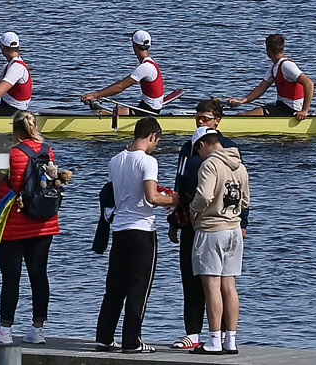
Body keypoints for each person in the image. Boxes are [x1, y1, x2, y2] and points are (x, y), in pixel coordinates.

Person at [0, 110, 71, 345]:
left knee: (11, 277)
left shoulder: (10, 153)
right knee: (39, 275)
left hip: (14, 222)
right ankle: (38, 330)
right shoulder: (47, 151)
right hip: (44, 222)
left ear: (15, 129)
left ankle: (4, 330)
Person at [96, 116, 177, 353]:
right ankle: (132, 341)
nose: (156, 146)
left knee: (115, 287)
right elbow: (152, 197)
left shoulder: (115, 160)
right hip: (142, 231)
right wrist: (175, 199)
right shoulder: (148, 161)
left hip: (120, 230)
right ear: (152, 136)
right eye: (157, 142)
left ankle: (104, 336)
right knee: (139, 288)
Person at [172, 97, 230, 350]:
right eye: (197, 117)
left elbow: (236, 189)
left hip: (219, 222)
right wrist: (175, 218)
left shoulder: (228, 148)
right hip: (189, 222)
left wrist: (243, 222)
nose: (199, 121)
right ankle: (193, 333)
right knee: (191, 277)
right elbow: (179, 183)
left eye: (205, 118)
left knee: (223, 282)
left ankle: (226, 334)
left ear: (217, 121)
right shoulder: (187, 148)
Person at [188, 127, 250, 354]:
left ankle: (214, 339)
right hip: (234, 229)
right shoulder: (240, 165)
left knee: (211, 285)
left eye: (197, 151)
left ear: (202, 144)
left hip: (212, 228)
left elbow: (204, 195)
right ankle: (230, 340)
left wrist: (193, 210)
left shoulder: (210, 164)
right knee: (230, 286)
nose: (199, 155)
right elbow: (245, 201)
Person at [84, 30, 172, 118]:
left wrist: (95, 95)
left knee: (99, 112)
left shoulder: (145, 67)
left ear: (134, 46)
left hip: (147, 112)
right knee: (109, 110)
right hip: (145, 107)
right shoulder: (151, 64)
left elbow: (120, 87)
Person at [232, 34, 312, 118]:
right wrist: (242, 101)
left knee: (243, 116)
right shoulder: (274, 67)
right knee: (248, 113)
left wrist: (304, 111)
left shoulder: (287, 66)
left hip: (291, 110)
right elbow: (260, 89)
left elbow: (309, 84)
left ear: (268, 51)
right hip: (281, 106)